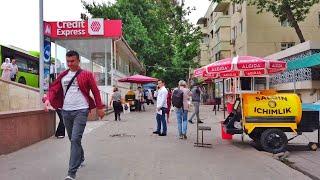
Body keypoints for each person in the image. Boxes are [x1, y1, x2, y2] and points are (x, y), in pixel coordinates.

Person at [43, 50, 105, 180]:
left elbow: (95, 91)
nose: (70, 64)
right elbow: (54, 89)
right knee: (73, 139)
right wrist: (48, 99)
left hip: (81, 110)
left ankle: (71, 173)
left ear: (78, 61)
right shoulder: (63, 75)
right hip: (66, 111)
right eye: (68, 61)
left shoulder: (87, 74)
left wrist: (99, 108)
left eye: (72, 61)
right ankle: (80, 157)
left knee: (75, 139)